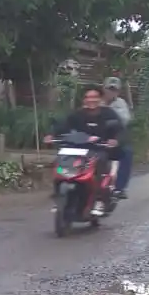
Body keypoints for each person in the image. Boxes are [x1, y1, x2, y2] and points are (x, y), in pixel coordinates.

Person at [45, 87, 129, 216]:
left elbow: (120, 130)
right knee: (60, 167)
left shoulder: (109, 114)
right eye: (88, 97)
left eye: (94, 97)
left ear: (100, 99)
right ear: (84, 100)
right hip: (77, 150)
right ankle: (58, 197)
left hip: (99, 150)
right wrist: (51, 135)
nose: (91, 100)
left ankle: (99, 200)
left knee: (100, 167)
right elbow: (62, 126)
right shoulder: (76, 115)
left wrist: (115, 140)